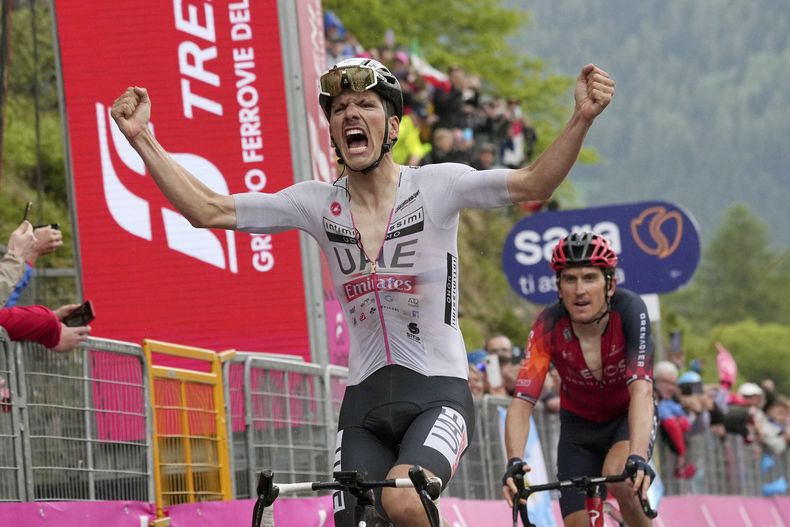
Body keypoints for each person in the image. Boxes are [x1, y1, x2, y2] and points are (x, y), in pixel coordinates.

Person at [111, 58, 614, 527]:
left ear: (393, 127)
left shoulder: (439, 186)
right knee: (352, 521)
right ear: (332, 131)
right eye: (340, 109)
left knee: (401, 498)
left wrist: (582, 118)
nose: (351, 114)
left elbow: (533, 183)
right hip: (364, 403)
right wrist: (142, 140)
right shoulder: (314, 203)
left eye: (366, 105)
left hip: (438, 393)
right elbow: (208, 210)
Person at [502, 232, 656, 527]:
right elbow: (522, 401)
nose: (579, 290)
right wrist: (514, 461)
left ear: (610, 284)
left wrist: (638, 456)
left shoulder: (630, 310)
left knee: (622, 476)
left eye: (589, 278)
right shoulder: (548, 323)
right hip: (578, 429)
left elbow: (642, 390)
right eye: (569, 279)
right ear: (558, 286)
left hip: (625, 418)